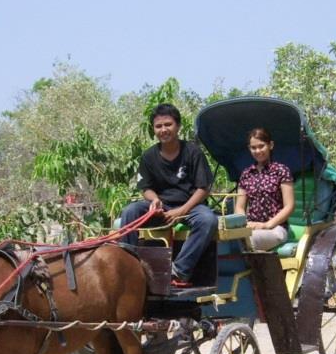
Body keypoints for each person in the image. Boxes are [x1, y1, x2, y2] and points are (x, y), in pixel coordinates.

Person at [120, 103, 218, 288]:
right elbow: (145, 188)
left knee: (208, 220)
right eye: (159, 126)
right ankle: (128, 266)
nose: (163, 130)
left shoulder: (192, 152)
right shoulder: (148, 156)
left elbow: (203, 188)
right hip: (162, 206)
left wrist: (182, 210)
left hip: (191, 206)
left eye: (168, 124)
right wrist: (154, 199)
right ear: (153, 130)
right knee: (130, 211)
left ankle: (179, 271)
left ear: (178, 126)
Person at [234, 128, 295, 251]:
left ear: (270, 145)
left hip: (276, 228)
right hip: (250, 227)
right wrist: (244, 224)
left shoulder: (281, 171)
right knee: (224, 240)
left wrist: (267, 225)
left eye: (261, 146)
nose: (258, 151)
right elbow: (239, 207)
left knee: (248, 240)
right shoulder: (246, 173)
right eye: (253, 147)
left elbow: (290, 206)